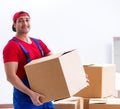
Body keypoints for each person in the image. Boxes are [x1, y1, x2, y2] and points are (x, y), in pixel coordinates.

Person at [3, 11, 55, 109]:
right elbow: (10, 76)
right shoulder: (11, 46)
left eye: (27, 20)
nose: (25, 23)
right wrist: (31, 94)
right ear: (14, 25)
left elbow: (56, 62)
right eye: (20, 21)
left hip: (44, 95)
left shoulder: (38, 43)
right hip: (25, 98)